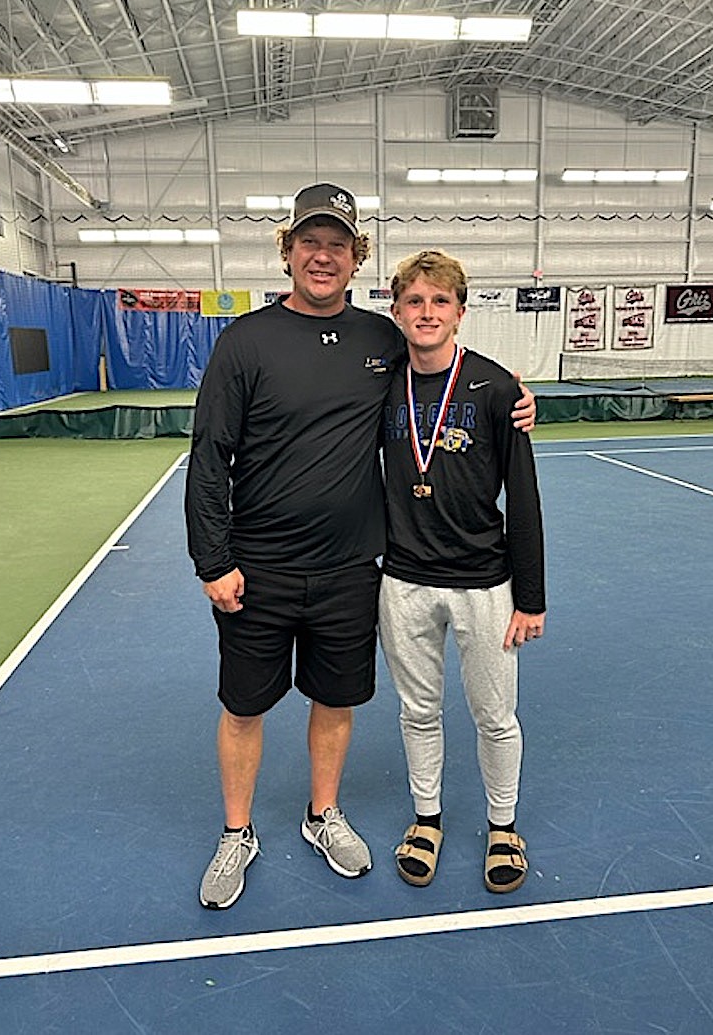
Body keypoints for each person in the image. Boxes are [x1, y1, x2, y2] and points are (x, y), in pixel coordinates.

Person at [185, 185, 537, 909]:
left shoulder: (382, 339)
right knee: (244, 707)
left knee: (335, 701)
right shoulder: (243, 342)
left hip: (353, 570)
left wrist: (514, 396)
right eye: (310, 242)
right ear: (288, 251)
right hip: (258, 567)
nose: (323, 256)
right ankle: (235, 831)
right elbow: (208, 457)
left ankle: (323, 815)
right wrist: (212, 560)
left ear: (355, 259)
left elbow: (448, 365)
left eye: (338, 245)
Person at [379, 249, 546, 894]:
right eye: (414, 302)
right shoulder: (380, 381)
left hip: (484, 581)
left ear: (460, 312)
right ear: (396, 312)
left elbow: (523, 496)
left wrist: (530, 596)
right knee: (417, 710)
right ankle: (427, 818)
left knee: (494, 714)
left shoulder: (497, 388)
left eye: (439, 302)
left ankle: (503, 827)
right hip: (404, 580)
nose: (426, 313)